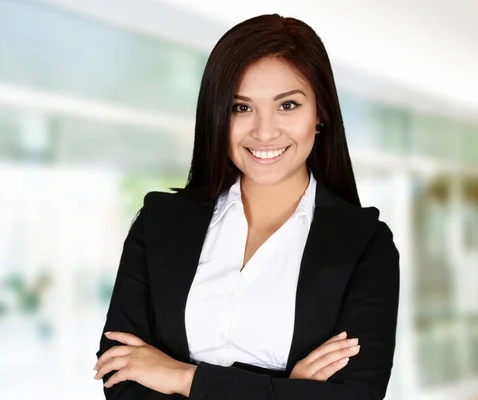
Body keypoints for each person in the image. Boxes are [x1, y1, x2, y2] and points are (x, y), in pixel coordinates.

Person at [94, 13, 399, 400]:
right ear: (218, 115)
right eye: (241, 108)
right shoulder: (159, 223)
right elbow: (121, 376)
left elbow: (355, 396)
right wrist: (285, 388)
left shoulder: (365, 245)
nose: (264, 131)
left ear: (320, 113)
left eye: (287, 105)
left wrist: (182, 378)